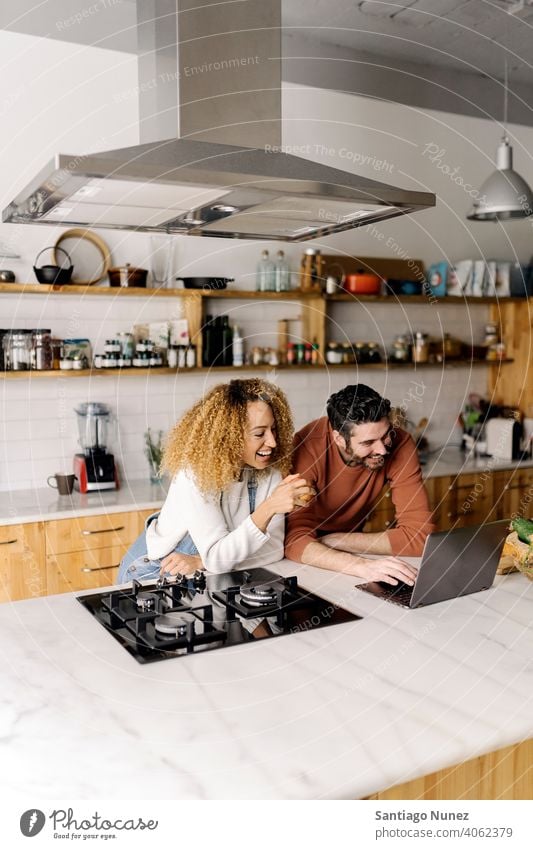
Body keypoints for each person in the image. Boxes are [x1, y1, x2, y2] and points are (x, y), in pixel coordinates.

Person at [117, 378, 311, 583]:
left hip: (204, 573)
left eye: (273, 430)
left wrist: (203, 561)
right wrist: (269, 508)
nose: (271, 442)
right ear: (229, 436)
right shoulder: (194, 474)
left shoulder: (266, 470)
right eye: (259, 433)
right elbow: (219, 559)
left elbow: (273, 551)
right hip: (155, 572)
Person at [284, 384, 435, 585]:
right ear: (338, 438)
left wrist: (338, 540)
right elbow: (295, 540)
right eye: (368, 443)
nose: (382, 449)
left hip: (349, 549)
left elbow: (421, 537)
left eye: (385, 435)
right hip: (305, 562)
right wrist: (361, 566)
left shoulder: (400, 443)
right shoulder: (307, 447)